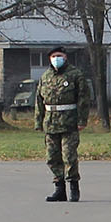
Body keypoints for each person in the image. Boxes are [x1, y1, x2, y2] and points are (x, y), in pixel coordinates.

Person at [34, 44, 90, 202]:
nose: (56, 59)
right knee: (52, 157)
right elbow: (39, 100)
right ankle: (59, 189)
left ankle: (73, 186)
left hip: (69, 123)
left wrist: (81, 120)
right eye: (53, 57)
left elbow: (84, 99)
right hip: (50, 123)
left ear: (66, 58)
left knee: (69, 156)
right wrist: (38, 121)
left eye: (60, 56)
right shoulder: (45, 77)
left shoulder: (75, 75)